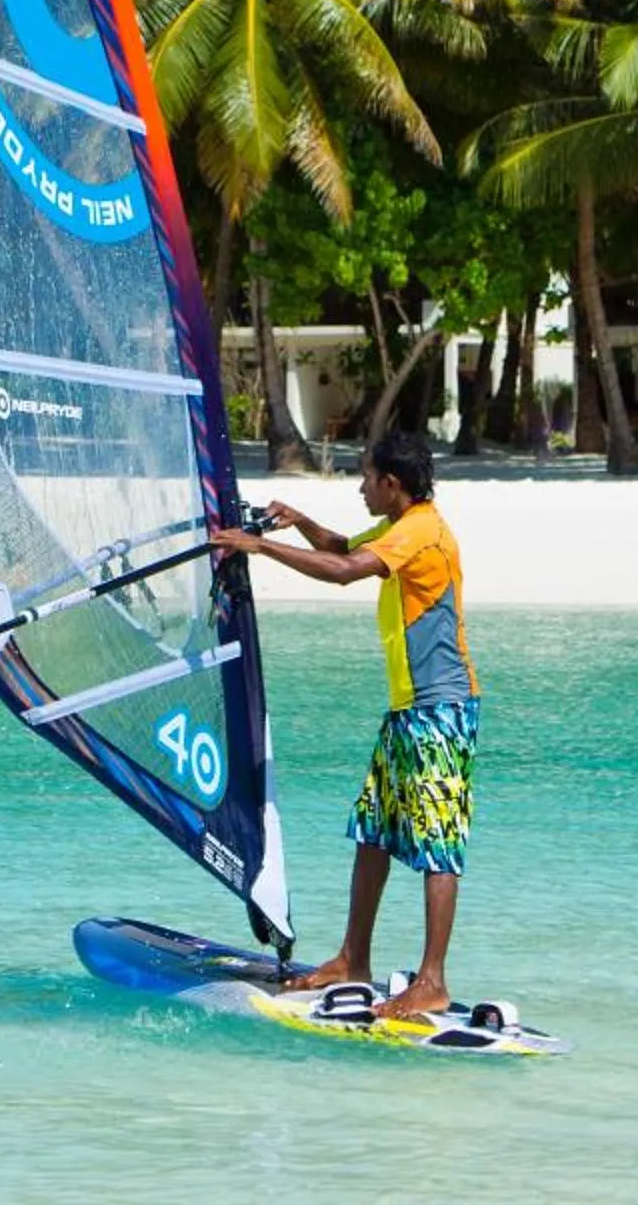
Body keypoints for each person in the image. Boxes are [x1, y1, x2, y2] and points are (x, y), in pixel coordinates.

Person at [213, 428, 479, 1018]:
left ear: (392, 483)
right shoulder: (400, 526)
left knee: (438, 843)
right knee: (374, 829)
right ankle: (353, 959)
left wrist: (260, 549)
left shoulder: (420, 532)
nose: (361, 488)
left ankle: (432, 980)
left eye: (366, 478)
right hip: (409, 710)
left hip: (442, 710)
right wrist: (298, 521)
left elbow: (343, 571)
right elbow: (339, 546)